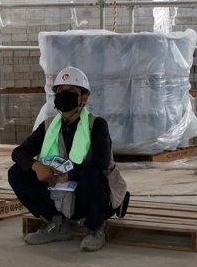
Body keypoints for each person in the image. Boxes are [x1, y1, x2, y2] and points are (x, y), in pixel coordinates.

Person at [8, 67, 116, 252]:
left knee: (92, 174)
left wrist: (70, 175)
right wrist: (36, 166)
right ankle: (56, 223)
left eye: (71, 92)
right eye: (60, 91)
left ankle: (95, 227)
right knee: (16, 172)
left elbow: (101, 161)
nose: (63, 95)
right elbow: (19, 153)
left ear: (84, 97)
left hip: (85, 193)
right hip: (58, 191)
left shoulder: (96, 125)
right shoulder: (49, 125)